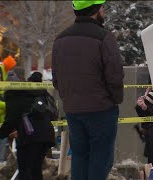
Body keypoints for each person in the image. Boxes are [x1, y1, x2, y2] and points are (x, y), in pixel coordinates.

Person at [51, 0, 124, 179]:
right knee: (100, 160)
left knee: (79, 158)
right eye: (102, 7)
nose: (104, 10)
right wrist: (115, 99)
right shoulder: (104, 37)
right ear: (96, 10)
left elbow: (56, 78)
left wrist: (68, 99)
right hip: (101, 111)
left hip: (73, 111)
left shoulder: (60, 39)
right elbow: (115, 75)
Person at [0, 72, 55, 180]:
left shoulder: (14, 96)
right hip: (46, 134)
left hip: (29, 138)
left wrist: (2, 132)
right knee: (36, 170)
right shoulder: (32, 93)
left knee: (25, 171)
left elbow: (12, 118)